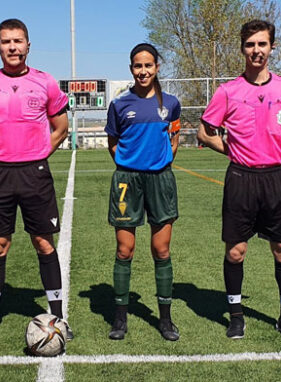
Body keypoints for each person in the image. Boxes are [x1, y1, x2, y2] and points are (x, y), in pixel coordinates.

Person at [197, 20, 281, 340]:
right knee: (236, 252)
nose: (256, 50)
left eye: (262, 44)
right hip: (240, 178)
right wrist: (234, 151)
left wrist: (277, 145)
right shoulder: (228, 91)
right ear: (242, 49)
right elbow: (204, 133)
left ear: (272, 47)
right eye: (250, 44)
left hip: (276, 177)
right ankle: (235, 316)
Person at [0, 18, 71, 344]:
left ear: (28, 45)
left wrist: (38, 154)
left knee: (43, 242)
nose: (12, 47)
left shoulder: (46, 82)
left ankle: (58, 317)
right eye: (6, 41)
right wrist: (1, 152)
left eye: (18, 41)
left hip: (34, 174)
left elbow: (60, 127)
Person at [104, 43, 181, 341]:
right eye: (138, 65)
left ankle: (165, 319)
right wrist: (129, 165)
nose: (143, 71)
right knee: (125, 250)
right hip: (127, 181)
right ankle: (120, 319)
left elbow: (174, 138)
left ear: (157, 67)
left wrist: (161, 162)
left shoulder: (171, 103)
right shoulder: (120, 105)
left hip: (160, 180)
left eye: (148, 65)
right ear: (131, 69)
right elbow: (113, 142)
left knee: (161, 250)